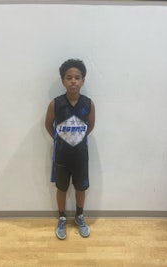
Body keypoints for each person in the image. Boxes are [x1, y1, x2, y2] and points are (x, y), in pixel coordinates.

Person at [45, 59, 95, 240]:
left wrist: (77, 139)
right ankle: (62, 218)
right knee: (62, 188)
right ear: (63, 81)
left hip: (81, 156)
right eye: (69, 78)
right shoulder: (55, 104)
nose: (73, 81)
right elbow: (48, 125)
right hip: (61, 157)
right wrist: (61, 140)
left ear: (83, 80)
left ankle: (80, 215)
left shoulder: (88, 104)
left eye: (77, 77)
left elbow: (90, 126)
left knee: (81, 188)